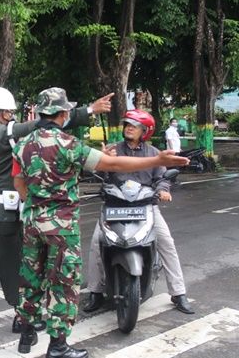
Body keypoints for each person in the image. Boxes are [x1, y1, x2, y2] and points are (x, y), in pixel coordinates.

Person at [11, 89, 189, 358]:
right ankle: (57, 347)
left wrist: (36, 204)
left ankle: (26, 331)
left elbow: (19, 183)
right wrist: (157, 161)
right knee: (63, 283)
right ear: (61, 113)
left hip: (32, 222)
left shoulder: (23, 144)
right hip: (61, 225)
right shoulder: (69, 144)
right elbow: (113, 162)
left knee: (31, 277)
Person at [0, 86, 114, 340]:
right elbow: (47, 122)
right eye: (9, 111)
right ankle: (22, 318)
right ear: (4, 112)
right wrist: (89, 110)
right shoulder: (8, 132)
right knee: (16, 263)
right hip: (5, 209)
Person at [83, 109, 195, 316]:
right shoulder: (113, 149)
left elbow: (162, 177)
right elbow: (95, 170)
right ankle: (95, 292)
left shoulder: (153, 153)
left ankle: (179, 293)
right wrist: (102, 161)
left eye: (133, 126)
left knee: (166, 242)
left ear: (145, 130)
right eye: (127, 125)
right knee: (96, 244)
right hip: (114, 206)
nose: (129, 128)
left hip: (145, 207)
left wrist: (163, 190)